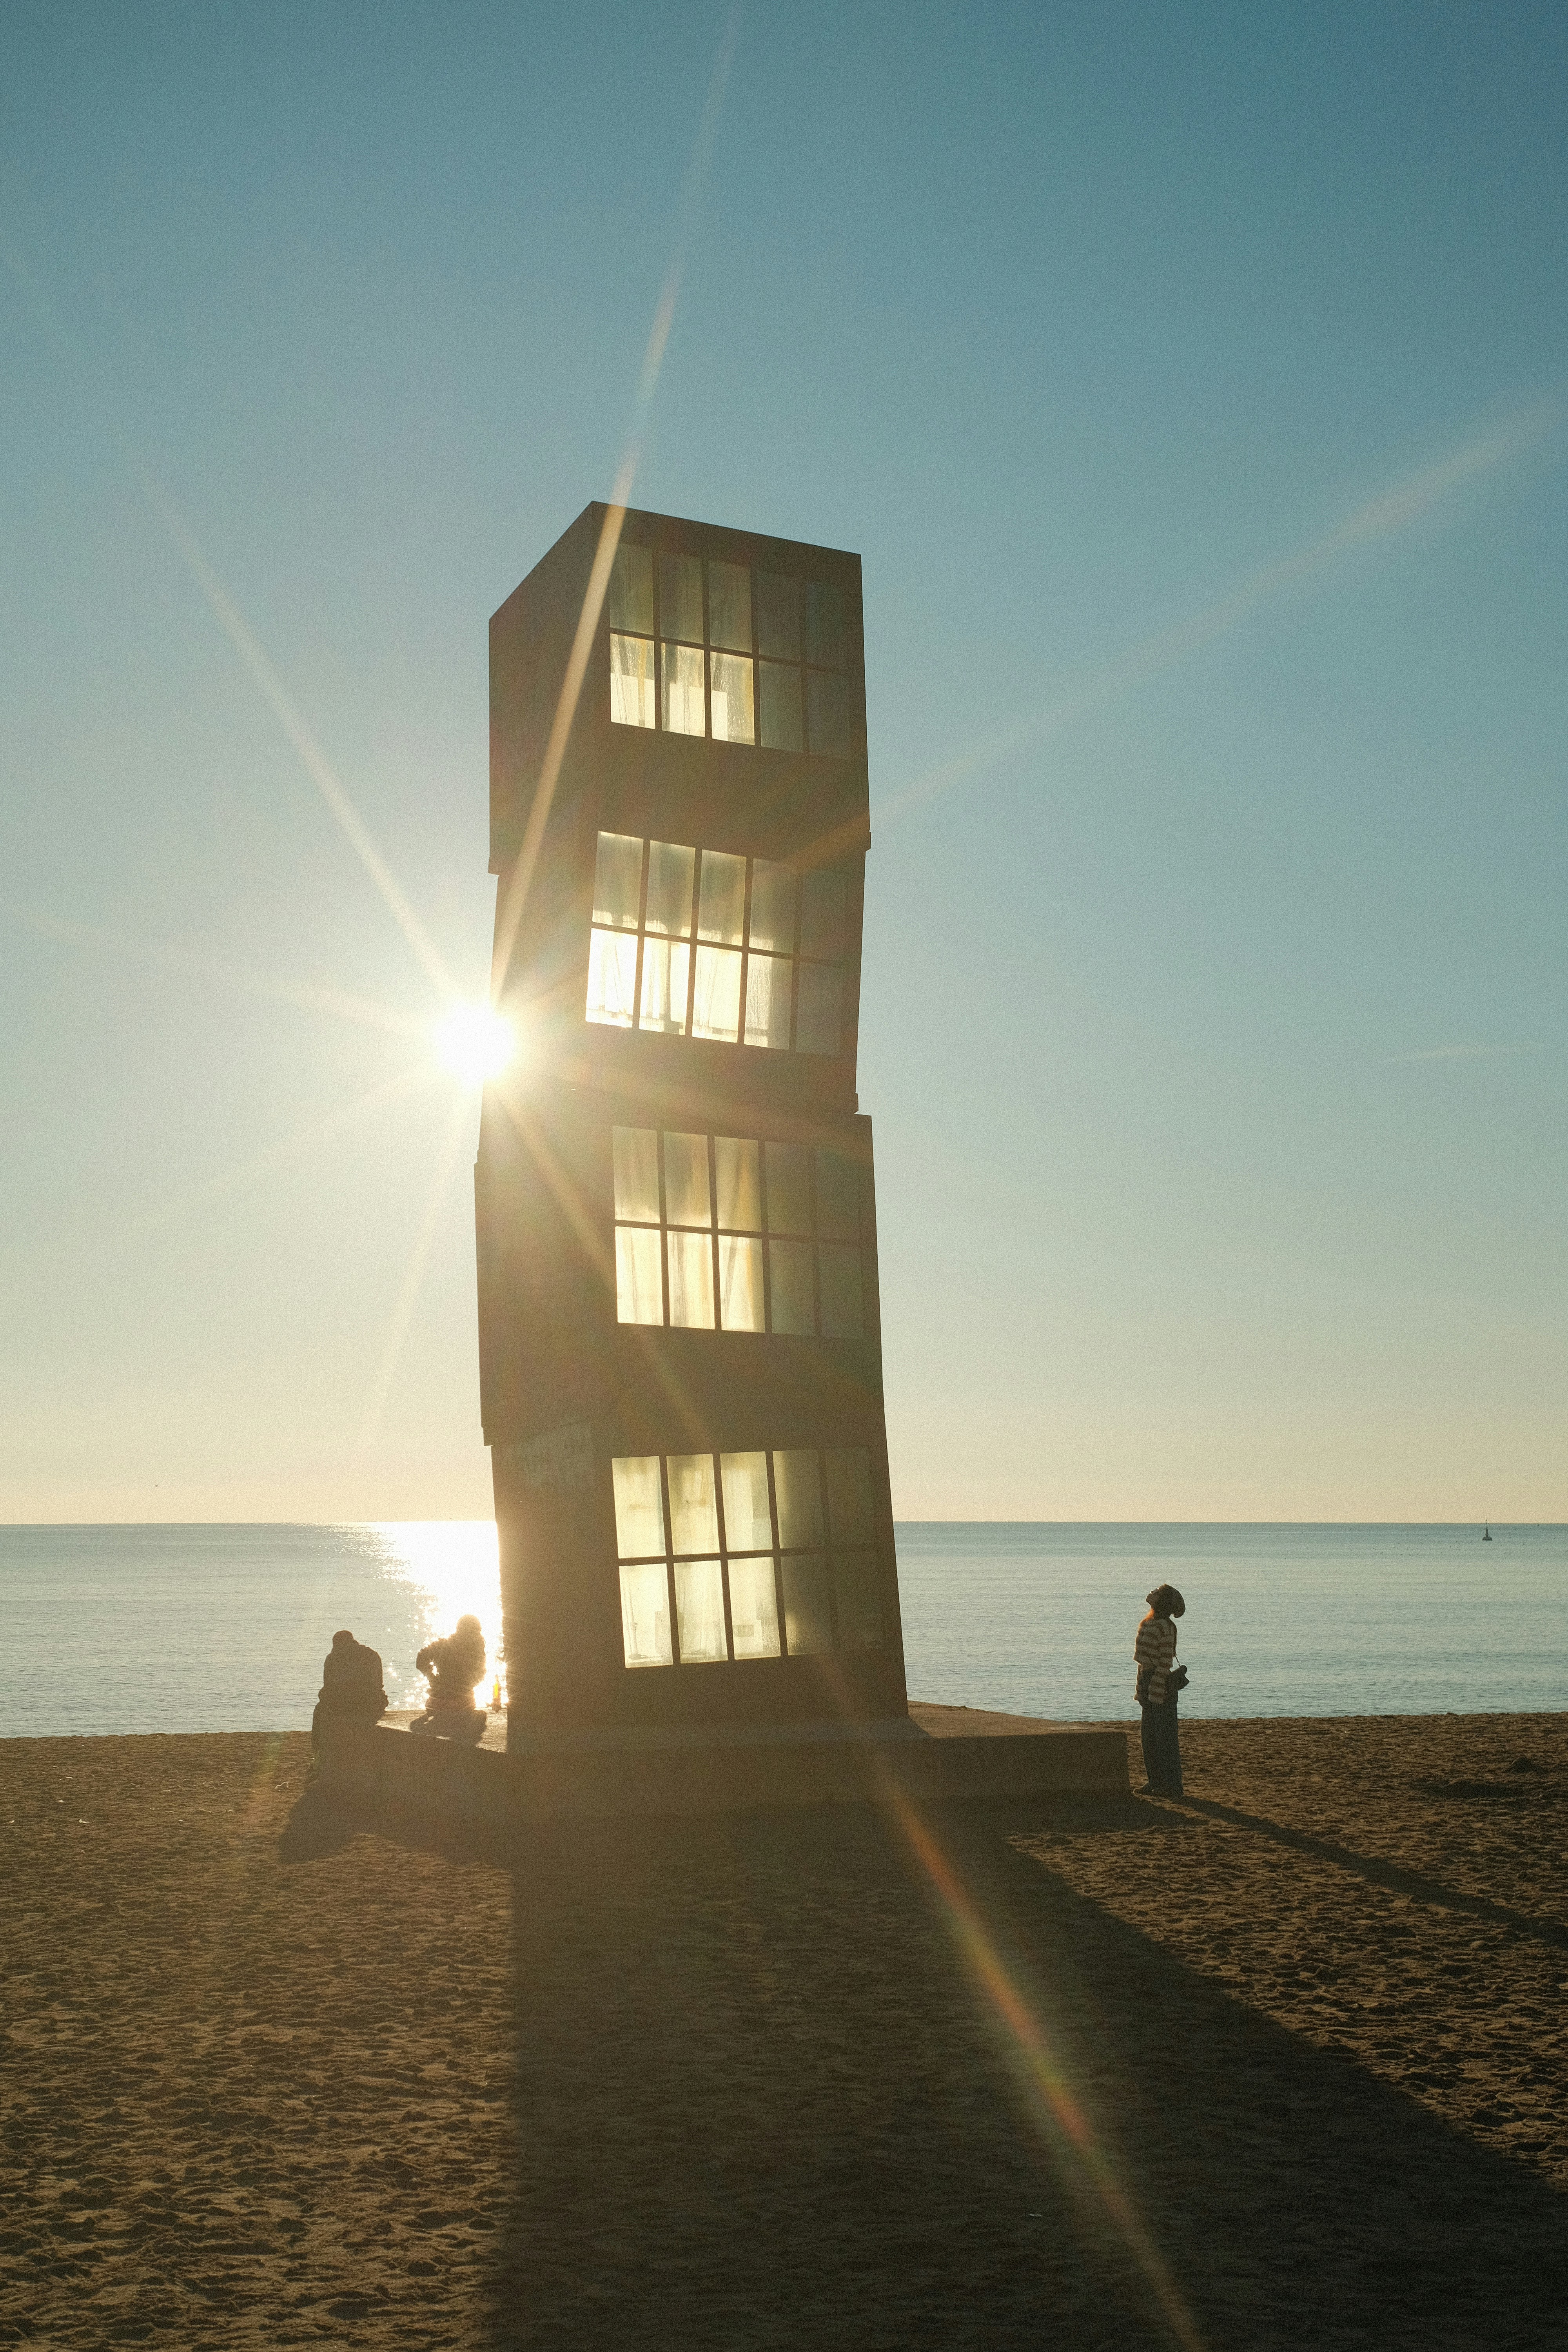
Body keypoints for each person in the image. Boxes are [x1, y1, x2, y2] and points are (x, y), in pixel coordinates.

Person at [1134, 1584, 1186, 1797]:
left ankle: (1172, 1787)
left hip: (1161, 1683)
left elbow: (1164, 1663)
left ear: (1162, 1600)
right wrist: (1141, 1688)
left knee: (1166, 1739)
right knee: (1149, 1737)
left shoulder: (1166, 1626)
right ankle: (1155, 1781)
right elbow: (1143, 1662)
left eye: (1157, 1591)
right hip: (1149, 1681)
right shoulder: (1149, 1622)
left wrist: (1156, 1692)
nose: (1152, 1591)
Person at [310, 1629, 388, 1757]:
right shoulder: (372, 1655)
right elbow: (378, 1684)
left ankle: (318, 1755)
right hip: (373, 1703)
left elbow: (328, 1687)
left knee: (319, 1709)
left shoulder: (333, 1658)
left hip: (348, 1705)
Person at [413, 1614, 487, 1724]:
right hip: (463, 1706)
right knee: (481, 1717)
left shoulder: (443, 1644)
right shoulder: (476, 1650)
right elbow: (479, 1678)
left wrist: (432, 1678)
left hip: (437, 1705)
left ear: (458, 1628)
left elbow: (421, 1658)